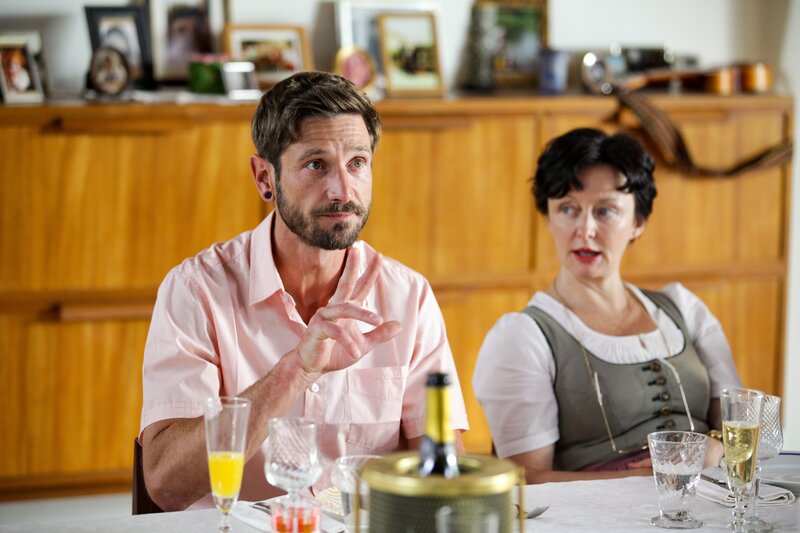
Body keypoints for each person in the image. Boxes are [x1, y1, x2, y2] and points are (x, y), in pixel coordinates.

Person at [139, 71, 469, 511]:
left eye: (357, 163)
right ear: (265, 178)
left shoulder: (409, 297)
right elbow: (166, 484)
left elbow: (443, 474)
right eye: (316, 164)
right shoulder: (196, 291)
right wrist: (296, 370)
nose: (343, 190)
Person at [472, 128, 742, 483]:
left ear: (638, 222)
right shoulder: (523, 337)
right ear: (548, 218)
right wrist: (651, 478)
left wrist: (716, 446)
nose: (585, 229)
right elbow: (526, 480)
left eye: (605, 211)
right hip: (599, 510)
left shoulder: (682, 307)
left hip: (715, 499)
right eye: (568, 209)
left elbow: (740, 425)